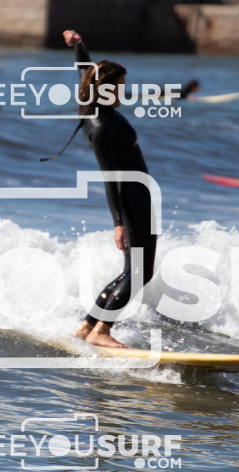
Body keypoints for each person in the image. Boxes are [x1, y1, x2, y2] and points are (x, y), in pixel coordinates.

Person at [63, 30, 157, 349]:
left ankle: (87, 326)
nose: (123, 92)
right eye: (119, 86)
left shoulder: (93, 111)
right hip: (131, 199)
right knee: (140, 273)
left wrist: (79, 46)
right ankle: (102, 331)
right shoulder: (103, 125)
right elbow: (109, 176)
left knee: (132, 271)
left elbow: (85, 72)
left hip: (137, 196)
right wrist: (118, 223)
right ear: (104, 89)